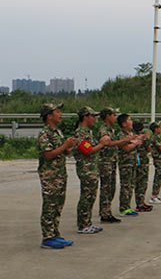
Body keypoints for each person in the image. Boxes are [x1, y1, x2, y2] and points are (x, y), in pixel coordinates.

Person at [37, 103, 78, 249]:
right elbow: (48, 155)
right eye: (57, 112)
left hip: (60, 174)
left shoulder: (57, 132)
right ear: (49, 116)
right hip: (50, 176)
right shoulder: (45, 134)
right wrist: (64, 145)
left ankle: (55, 234)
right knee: (50, 205)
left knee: (58, 205)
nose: (60, 114)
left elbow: (61, 152)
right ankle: (47, 238)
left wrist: (69, 147)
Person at [72, 106, 108, 234]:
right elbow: (87, 150)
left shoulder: (88, 132)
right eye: (92, 116)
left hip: (92, 168)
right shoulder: (80, 133)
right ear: (85, 117)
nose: (94, 119)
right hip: (86, 169)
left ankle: (87, 222)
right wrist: (102, 144)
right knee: (86, 196)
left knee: (91, 196)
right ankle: (83, 224)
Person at [97, 107, 136, 223]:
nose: (114, 117)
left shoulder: (111, 130)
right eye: (113, 115)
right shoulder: (103, 129)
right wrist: (126, 140)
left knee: (111, 188)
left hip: (112, 161)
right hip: (106, 162)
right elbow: (108, 144)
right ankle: (105, 214)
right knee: (106, 188)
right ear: (108, 116)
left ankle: (107, 212)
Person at [117, 114, 144, 217]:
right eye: (129, 120)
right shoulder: (121, 134)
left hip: (132, 162)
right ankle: (123, 208)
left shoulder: (131, 133)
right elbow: (126, 148)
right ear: (124, 124)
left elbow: (135, 145)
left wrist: (139, 140)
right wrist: (136, 142)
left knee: (131, 185)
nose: (131, 122)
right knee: (125, 185)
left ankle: (127, 206)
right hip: (125, 163)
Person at [132, 121, 153, 213]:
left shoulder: (132, 136)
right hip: (142, 162)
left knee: (138, 182)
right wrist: (148, 138)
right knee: (142, 183)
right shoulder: (143, 137)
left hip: (135, 161)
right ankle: (140, 204)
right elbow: (149, 149)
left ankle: (140, 202)